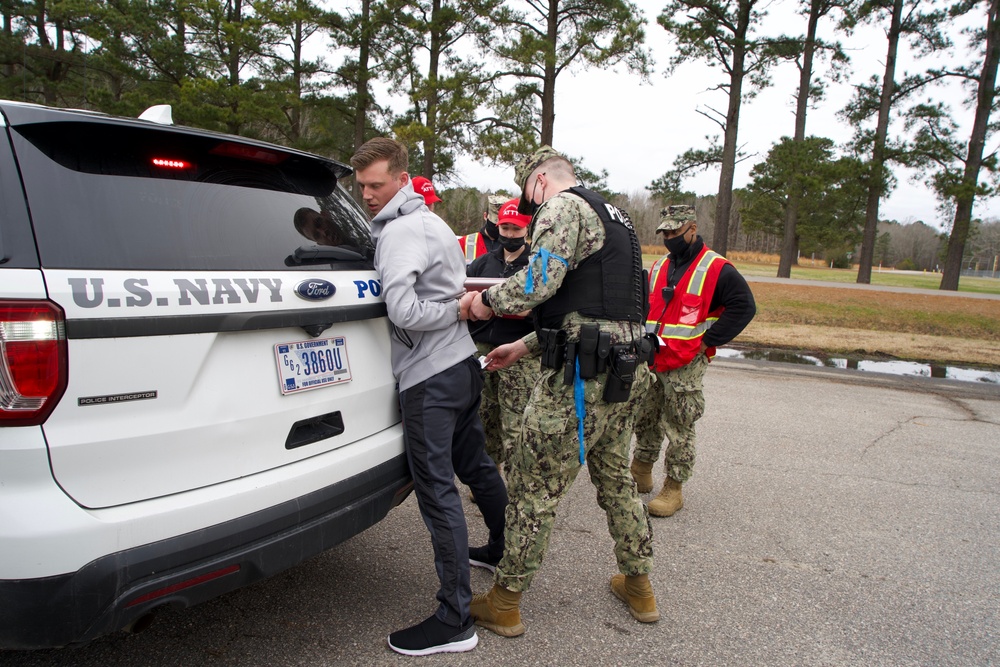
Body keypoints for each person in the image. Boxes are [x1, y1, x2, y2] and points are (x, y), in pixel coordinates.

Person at [461, 146, 658, 636]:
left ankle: (505, 602)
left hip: (581, 380)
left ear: (540, 182)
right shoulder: (617, 217)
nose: (529, 210)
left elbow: (539, 282)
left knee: (534, 486)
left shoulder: (561, 206)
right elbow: (599, 310)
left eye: (529, 197)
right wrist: (525, 347)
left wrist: (483, 303)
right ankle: (639, 587)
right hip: (626, 371)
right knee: (615, 480)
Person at [350, 137, 508, 656]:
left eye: (376, 184)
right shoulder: (432, 223)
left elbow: (406, 313)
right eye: (361, 186)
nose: (368, 195)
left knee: (437, 492)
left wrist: (460, 311)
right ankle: (503, 550)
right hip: (462, 368)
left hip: (430, 378)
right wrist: (457, 312)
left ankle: (454, 618)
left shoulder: (399, 233)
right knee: (477, 467)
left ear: (400, 177)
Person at [630, 205, 756, 517]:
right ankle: (641, 471)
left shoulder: (716, 268)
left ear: (692, 229)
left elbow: (744, 307)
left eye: (675, 232)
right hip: (654, 357)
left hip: (686, 363)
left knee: (678, 424)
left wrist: (708, 342)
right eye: (666, 233)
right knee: (645, 416)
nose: (670, 238)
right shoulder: (660, 267)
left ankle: (674, 488)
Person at [464, 198, 535, 572]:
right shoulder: (484, 262)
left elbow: (539, 306)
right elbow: (466, 295)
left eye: (515, 229)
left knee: (516, 427)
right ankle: (489, 491)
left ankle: (519, 494)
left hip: (518, 357)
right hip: (481, 351)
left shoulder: (536, 265)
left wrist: (500, 306)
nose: (509, 235)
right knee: (483, 423)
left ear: (527, 229)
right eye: (504, 229)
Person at [457, 194, 504, 261]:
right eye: (494, 220)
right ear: (485, 216)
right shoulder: (464, 243)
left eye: (502, 223)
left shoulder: (512, 247)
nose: (497, 225)